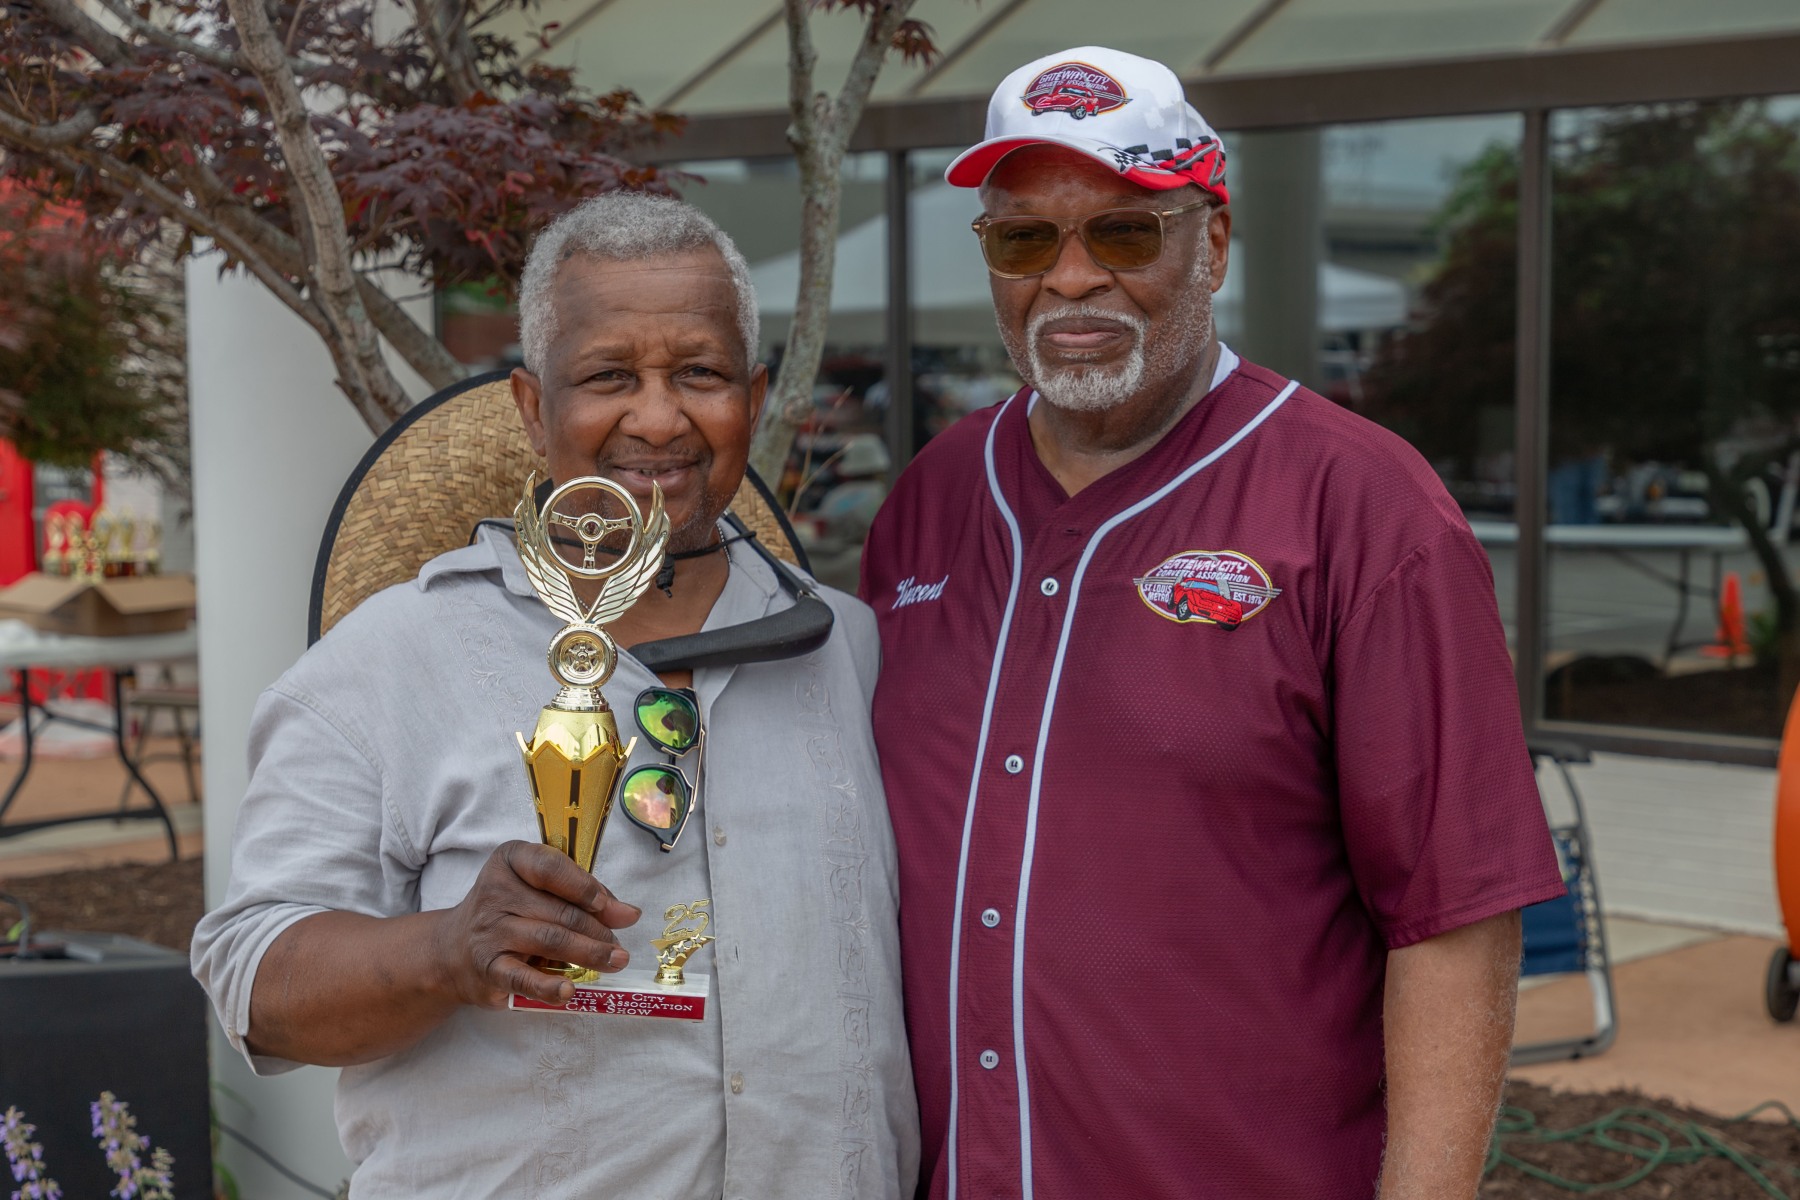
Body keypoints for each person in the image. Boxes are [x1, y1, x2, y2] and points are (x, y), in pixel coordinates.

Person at [859, 46, 1564, 1200]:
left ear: (1215, 242)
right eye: (1024, 240)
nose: (1070, 278)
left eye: (1124, 233)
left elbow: (1454, 918)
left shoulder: (1365, 507)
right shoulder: (933, 496)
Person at [192, 193, 918, 1196]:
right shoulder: (388, 661)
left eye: (699, 374)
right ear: (534, 410)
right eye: (608, 376)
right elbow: (255, 983)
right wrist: (446, 949)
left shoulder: (852, 650)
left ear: (751, 399)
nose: (657, 418)